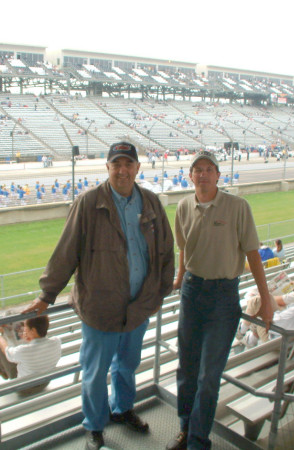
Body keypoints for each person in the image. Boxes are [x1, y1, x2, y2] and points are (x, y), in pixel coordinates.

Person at [22, 141, 174, 450]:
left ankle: (122, 409)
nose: (122, 170)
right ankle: (94, 425)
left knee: (128, 366)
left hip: (137, 308)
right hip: (99, 308)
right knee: (94, 373)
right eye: (116, 164)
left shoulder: (152, 203)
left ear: (137, 168)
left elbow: (166, 252)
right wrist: (47, 295)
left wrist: (157, 294)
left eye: (128, 164)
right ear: (107, 167)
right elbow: (66, 251)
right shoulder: (89, 203)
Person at [166, 150, 273, 450]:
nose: (202, 174)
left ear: (218, 175)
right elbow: (184, 249)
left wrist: (266, 299)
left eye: (208, 169)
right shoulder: (184, 206)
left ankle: (198, 442)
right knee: (186, 369)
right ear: (190, 176)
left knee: (208, 376)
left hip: (223, 298)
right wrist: (179, 278)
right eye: (197, 169)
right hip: (191, 292)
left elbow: (253, 253)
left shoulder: (238, 206)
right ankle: (186, 430)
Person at [0, 315, 61, 392]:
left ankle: (3, 371)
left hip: (24, 388)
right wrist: (31, 339)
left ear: (33, 330)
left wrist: (1, 336)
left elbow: (6, 350)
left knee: (2, 347)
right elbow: (38, 350)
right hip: (45, 382)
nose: (24, 329)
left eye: (25, 327)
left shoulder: (23, 351)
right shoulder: (56, 341)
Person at [238, 279, 294, 347]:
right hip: (290, 339)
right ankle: (250, 339)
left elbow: (271, 323)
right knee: (264, 300)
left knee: (255, 303)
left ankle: (241, 333)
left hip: (277, 343)